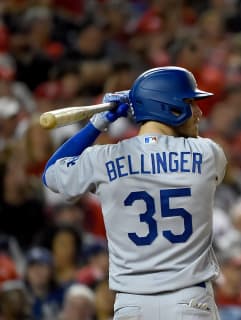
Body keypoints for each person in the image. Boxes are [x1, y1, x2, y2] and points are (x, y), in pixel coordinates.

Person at [42, 66, 227, 319]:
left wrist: (99, 123)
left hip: (132, 305)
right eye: (190, 102)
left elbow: (51, 173)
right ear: (170, 107)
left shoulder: (104, 159)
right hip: (190, 302)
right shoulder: (208, 154)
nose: (198, 112)